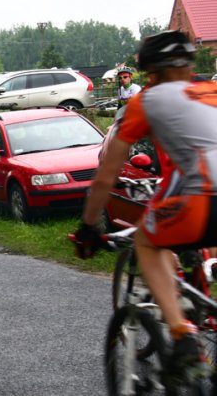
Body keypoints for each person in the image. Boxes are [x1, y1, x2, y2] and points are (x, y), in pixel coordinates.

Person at [73, 30, 217, 378]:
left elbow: (106, 176)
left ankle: (182, 335)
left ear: (150, 72)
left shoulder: (147, 101)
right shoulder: (213, 90)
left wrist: (88, 227)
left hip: (200, 195)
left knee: (146, 242)